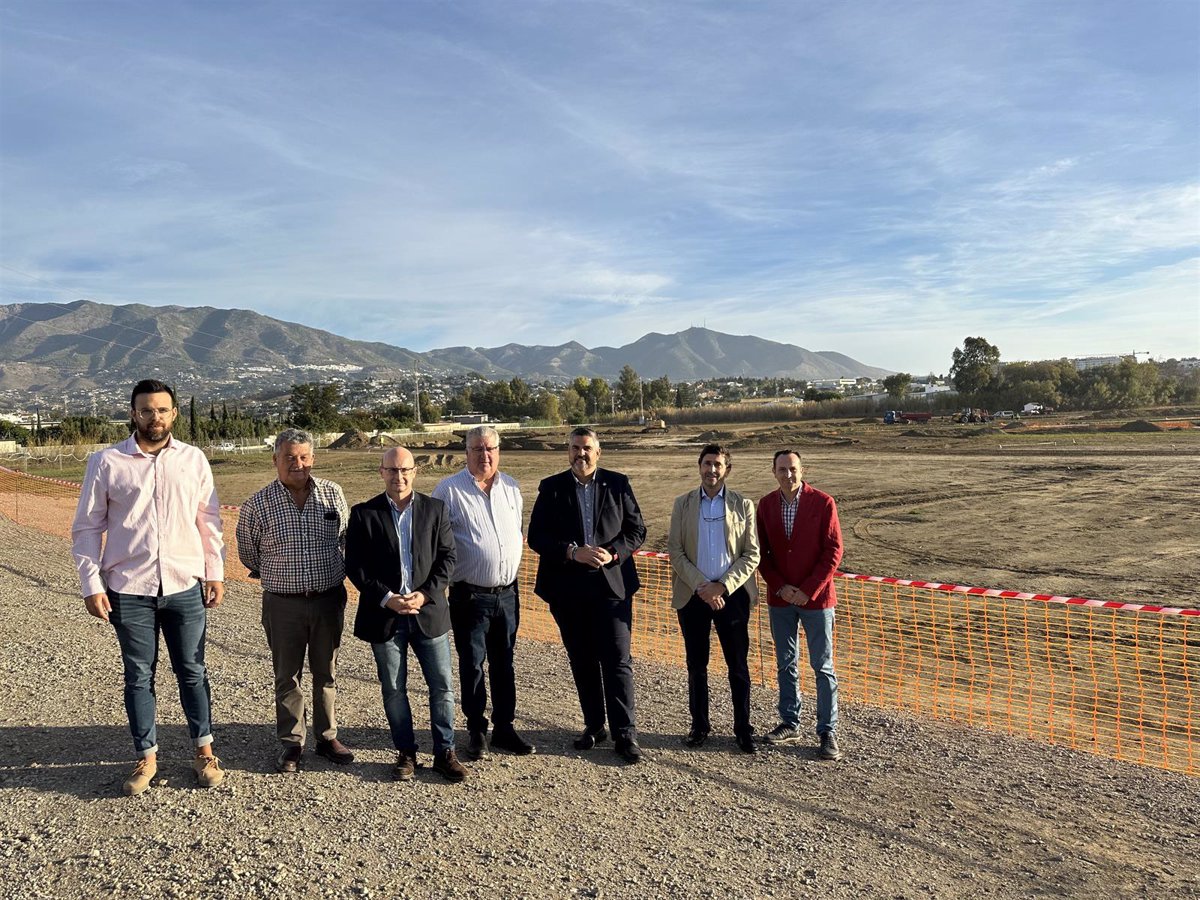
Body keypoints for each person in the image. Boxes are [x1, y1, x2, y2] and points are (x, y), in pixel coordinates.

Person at [71, 378, 226, 795]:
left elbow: (208, 520)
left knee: (192, 671)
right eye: (146, 410)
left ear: (174, 414)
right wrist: (91, 584)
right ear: (133, 414)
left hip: (184, 586)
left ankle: (204, 752)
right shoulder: (106, 462)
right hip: (129, 588)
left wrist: (215, 572)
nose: (154, 417)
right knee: (139, 676)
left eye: (162, 410)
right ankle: (147, 756)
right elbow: (87, 527)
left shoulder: (193, 460)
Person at [345, 446, 467, 782]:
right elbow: (355, 566)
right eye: (392, 470)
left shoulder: (435, 509)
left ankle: (445, 752)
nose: (398, 477)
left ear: (415, 472)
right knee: (393, 689)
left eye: (405, 470)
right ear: (381, 472)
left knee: (442, 687)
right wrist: (386, 598)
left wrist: (424, 595)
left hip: (428, 614)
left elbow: (447, 559)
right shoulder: (363, 514)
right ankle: (406, 752)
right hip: (386, 617)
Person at [527, 426, 647, 763]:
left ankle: (626, 734)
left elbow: (637, 530)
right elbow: (537, 536)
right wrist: (570, 551)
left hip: (612, 588)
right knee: (582, 660)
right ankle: (595, 726)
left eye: (587, 448)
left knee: (618, 660)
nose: (581, 454)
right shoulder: (551, 488)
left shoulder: (618, 483)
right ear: (568, 451)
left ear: (599, 452)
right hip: (568, 590)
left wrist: (613, 552)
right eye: (575, 448)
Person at [236, 428, 352, 773]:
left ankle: (327, 736)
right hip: (282, 603)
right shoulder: (258, 504)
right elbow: (248, 553)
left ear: (313, 459)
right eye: (289, 458)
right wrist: (282, 576)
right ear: (275, 460)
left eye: (303, 457)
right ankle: (292, 743)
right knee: (288, 675)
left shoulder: (333, 495)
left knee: (325, 672)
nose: (297, 464)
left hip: (328, 599)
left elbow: (344, 538)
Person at [432, 425, 534, 761]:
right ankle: (476, 729)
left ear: (499, 450)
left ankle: (505, 727)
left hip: (507, 594)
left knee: (504, 662)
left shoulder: (513, 489)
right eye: (477, 449)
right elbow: (436, 543)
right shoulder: (448, 491)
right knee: (473, 664)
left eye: (490, 448)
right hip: (469, 596)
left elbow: (515, 533)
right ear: (466, 453)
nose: (484, 455)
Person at [667, 444, 760, 754]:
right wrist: (702, 587)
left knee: (737, 666)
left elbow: (751, 554)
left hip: (731, 597)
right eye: (707, 464)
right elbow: (676, 552)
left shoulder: (743, 505)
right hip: (693, 597)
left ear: (727, 469)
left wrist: (722, 586)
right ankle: (699, 726)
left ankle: (743, 728)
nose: (712, 470)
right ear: (699, 466)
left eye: (718, 465)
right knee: (697, 665)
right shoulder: (683, 504)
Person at [756, 450, 845, 761]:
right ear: (774, 471)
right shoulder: (765, 505)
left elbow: (833, 551)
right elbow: (761, 554)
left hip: (816, 601)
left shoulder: (823, 503)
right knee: (785, 662)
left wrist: (807, 590)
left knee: (822, 666)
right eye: (782, 470)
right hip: (781, 599)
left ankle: (827, 730)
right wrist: (780, 586)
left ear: (802, 470)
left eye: (792, 469)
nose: (788, 475)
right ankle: (790, 722)